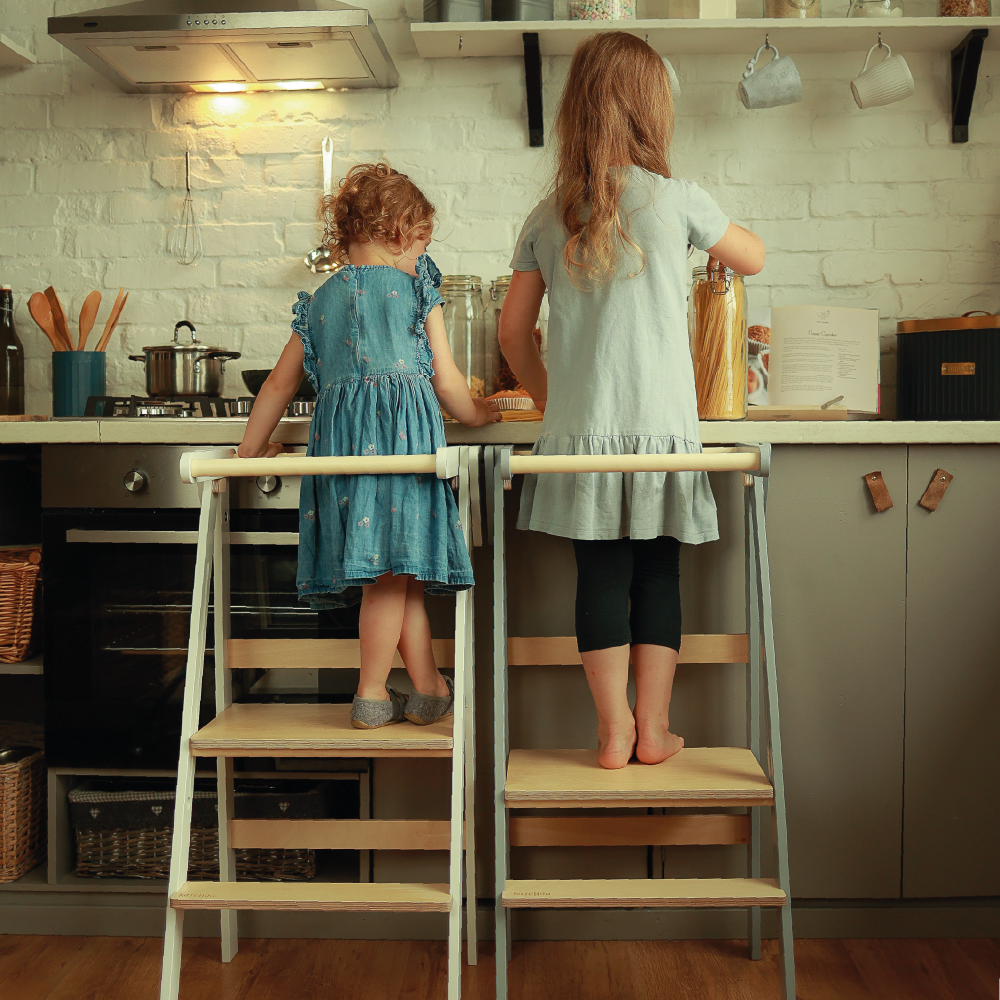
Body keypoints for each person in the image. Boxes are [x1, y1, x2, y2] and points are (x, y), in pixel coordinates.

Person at [499, 33, 765, 770]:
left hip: (582, 437)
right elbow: (754, 256)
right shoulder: (678, 199)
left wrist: (559, 407)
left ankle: (611, 730)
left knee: (601, 576)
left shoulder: (549, 213)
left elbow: (512, 333)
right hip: (663, 435)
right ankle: (654, 730)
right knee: (657, 574)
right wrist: (708, 246)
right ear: (653, 112)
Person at [238, 162, 500, 730]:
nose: (418, 257)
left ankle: (428, 687)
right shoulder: (414, 292)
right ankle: (372, 691)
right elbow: (448, 382)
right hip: (402, 451)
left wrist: (249, 451)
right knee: (389, 575)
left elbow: (278, 385)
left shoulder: (321, 301)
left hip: (345, 455)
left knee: (395, 573)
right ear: (397, 231)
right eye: (419, 244)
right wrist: (480, 413)